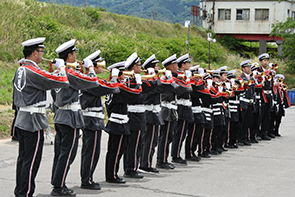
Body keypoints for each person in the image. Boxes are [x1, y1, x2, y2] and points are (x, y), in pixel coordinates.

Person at [13, 37, 69, 197]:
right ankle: (26, 193)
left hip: (22, 117)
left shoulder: (20, 69)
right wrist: (61, 68)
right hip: (33, 121)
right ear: (34, 52)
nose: (42, 54)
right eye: (41, 51)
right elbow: (62, 81)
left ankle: (20, 192)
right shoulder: (33, 70)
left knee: (23, 159)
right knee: (31, 162)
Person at [51, 39, 99, 196]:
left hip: (60, 115)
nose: (76, 55)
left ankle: (57, 182)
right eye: (75, 53)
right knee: (68, 154)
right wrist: (90, 67)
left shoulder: (56, 72)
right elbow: (92, 82)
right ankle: (59, 187)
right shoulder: (69, 73)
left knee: (60, 153)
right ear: (70, 56)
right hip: (70, 117)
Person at [80, 50, 119, 190]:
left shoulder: (90, 79)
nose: (102, 67)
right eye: (99, 64)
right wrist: (114, 78)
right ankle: (87, 180)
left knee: (89, 151)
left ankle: (87, 178)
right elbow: (110, 89)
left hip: (92, 119)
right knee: (91, 152)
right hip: (92, 120)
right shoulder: (90, 80)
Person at [105, 60, 142, 183]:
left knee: (116, 150)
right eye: (123, 73)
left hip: (118, 121)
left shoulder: (115, 86)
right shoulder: (117, 88)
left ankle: (112, 174)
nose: (125, 76)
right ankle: (112, 175)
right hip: (118, 122)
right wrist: (138, 83)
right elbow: (135, 96)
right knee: (115, 151)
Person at [139, 54, 164, 173]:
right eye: (156, 66)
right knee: (149, 140)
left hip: (152, 112)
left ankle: (146, 162)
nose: (158, 68)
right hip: (150, 112)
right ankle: (145, 164)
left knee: (151, 139)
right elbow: (160, 87)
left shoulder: (151, 80)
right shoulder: (149, 81)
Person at [123, 52, 146, 179]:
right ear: (133, 67)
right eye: (139, 65)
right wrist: (139, 84)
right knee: (134, 143)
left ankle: (130, 167)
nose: (140, 68)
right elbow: (139, 96)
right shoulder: (132, 81)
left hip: (136, 115)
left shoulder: (133, 80)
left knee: (134, 143)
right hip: (135, 115)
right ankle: (131, 168)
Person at [172, 53, 193, 165]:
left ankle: (177, 153)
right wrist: (188, 79)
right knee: (179, 132)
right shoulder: (179, 75)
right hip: (181, 106)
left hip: (185, 106)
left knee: (182, 132)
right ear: (183, 64)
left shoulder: (183, 75)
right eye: (187, 63)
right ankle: (175, 155)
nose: (189, 65)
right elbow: (186, 89)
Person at [238, 60, 256, 146]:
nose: (249, 69)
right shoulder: (241, 78)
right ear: (243, 68)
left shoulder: (251, 78)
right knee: (242, 121)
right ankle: (240, 138)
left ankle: (245, 138)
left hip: (250, 102)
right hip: (243, 102)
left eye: (250, 67)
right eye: (247, 67)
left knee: (248, 121)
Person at [257, 53, 272, 140]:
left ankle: (264, 132)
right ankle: (258, 133)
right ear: (261, 61)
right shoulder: (258, 70)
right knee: (261, 115)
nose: (266, 62)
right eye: (264, 61)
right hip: (262, 94)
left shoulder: (269, 72)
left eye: (267, 60)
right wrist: (268, 70)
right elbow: (259, 77)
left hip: (268, 94)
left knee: (267, 115)